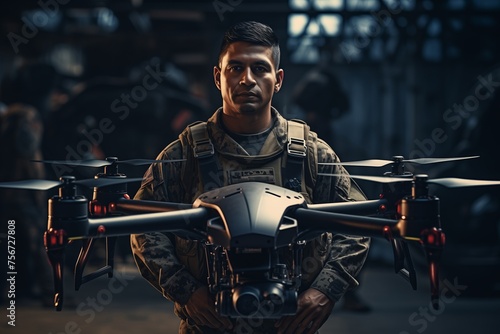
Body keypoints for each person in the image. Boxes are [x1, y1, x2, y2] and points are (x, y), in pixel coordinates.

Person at [130, 21, 370, 334]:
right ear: (218, 77)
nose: (247, 80)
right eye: (235, 68)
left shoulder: (311, 153)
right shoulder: (184, 154)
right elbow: (142, 224)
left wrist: (325, 290)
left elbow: (356, 222)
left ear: (278, 79)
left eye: (260, 68)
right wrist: (185, 290)